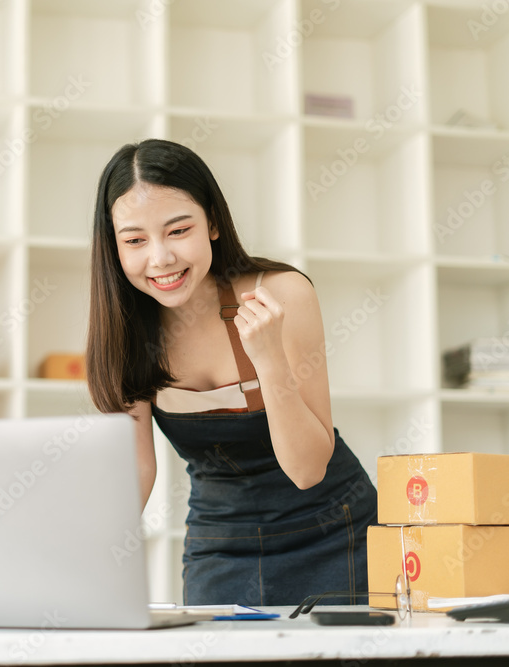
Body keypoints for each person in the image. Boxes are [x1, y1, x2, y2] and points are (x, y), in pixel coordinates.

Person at [86, 138, 378, 607]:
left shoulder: (281, 294)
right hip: (220, 548)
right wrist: (85, 555)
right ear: (115, 247)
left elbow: (307, 470)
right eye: (135, 240)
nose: (160, 258)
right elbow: (137, 468)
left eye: (178, 230)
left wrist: (269, 361)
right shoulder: (125, 332)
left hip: (337, 534)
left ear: (213, 224)